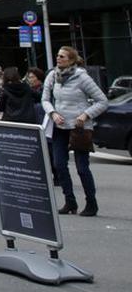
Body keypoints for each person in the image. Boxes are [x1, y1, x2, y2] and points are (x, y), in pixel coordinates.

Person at [43, 46, 108, 217]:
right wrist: (53, 113)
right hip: (60, 127)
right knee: (59, 165)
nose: (58, 58)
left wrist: (85, 115)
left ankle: (91, 203)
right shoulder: (52, 75)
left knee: (82, 168)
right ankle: (70, 201)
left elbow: (102, 101)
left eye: (62, 56)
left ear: (71, 60)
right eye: (57, 55)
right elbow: (45, 99)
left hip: (79, 128)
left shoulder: (82, 77)